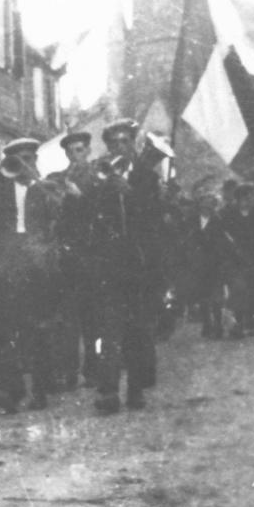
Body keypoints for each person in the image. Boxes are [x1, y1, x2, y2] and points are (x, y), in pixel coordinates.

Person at [91, 119, 164, 415]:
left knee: (138, 331)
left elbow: (154, 218)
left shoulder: (147, 177)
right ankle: (108, 391)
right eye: (113, 144)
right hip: (110, 266)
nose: (119, 148)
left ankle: (135, 390)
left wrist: (129, 193)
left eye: (124, 142)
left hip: (139, 265)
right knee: (109, 332)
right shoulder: (101, 178)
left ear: (133, 145)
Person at [0, 138, 61, 414]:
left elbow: (58, 216)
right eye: (19, 159)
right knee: (5, 330)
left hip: (37, 266)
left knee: (37, 330)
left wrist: (39, 183)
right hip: (7, 265)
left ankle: (40, 391)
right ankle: (11, 392)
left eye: (29, 158)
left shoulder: (46, 188)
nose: (24, 164)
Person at [48, 131, 100, 389]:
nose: (75, 155)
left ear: (88, 151)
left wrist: (81, 197)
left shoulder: (98, 176)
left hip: (92, 254)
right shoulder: (59, 179)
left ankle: (93, 370)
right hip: (68, 257)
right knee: (68, 318)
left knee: (93, 318)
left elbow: (104, 213)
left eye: (80, 150)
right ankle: (69, 372)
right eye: (71, 151)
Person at [187, 176, 241, 339]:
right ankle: (207, 323)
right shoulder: (191, 219)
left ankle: (217, 325)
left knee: (216, 295)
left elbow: (224, 241)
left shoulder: (218, 220)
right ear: (200, 203)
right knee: (202, 295)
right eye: (206, 200)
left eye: (212, 201)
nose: (209, 204)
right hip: (197, 262)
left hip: (214, 262)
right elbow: (186, 239)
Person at [220, 183, 254, 334]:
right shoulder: (228, 213)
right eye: (245, 198)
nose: (248, 201)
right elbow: (223, 235)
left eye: (251, 197)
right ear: (238, 199)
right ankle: (236, 322)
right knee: (239, 288)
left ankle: (250, 322)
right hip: (235, 259)